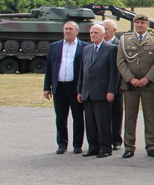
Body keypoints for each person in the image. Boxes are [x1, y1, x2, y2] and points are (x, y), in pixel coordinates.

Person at [116, 13, 154, 158]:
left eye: (143, 23)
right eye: (137, 23)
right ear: (134, 24)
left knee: (150, 116)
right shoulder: (124, 39)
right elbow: (120, 61)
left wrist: (147, 78)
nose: (139, 25)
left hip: (148, 84)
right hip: (130, 85)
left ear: (148, 25)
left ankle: (151, 146)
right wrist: (130, 79)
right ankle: (129, 147)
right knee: (130, 116)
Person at [43, 21, 88, 154]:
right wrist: (46, 87)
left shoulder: (84, 47)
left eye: (70, 29)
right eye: (66, 29)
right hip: (59, 87)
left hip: (75, 87)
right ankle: (62, 144)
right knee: (61, 118)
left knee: (78, 117)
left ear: (77, 31)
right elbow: (49, 68)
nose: (68, 31)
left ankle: (77, 145)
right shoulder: (55, 46)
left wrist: (82, 89)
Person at [76, 24, 120, 158]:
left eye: (95, 32)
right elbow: (82, 72)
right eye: (91, 33)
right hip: (87, 92)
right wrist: (79, 90)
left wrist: (111, 90)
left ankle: (105, 148)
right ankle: (93, 147)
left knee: (103, 122)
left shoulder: (111, 49)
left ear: (103, 34)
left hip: (102, 91)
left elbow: (114, 73)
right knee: (90, 122)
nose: (92, 35)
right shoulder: (87, 49)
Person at [101, 20, 124, 151]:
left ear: (114, 30)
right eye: (102, 28)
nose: (104, 31)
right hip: (101, 84)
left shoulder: (120, 44)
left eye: (106, 29)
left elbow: (122, 65)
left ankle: (116, 139)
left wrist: (121, 84)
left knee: (116, 113)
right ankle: (104, 138)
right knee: (103, 114)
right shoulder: (97, 44)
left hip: (117, 85)